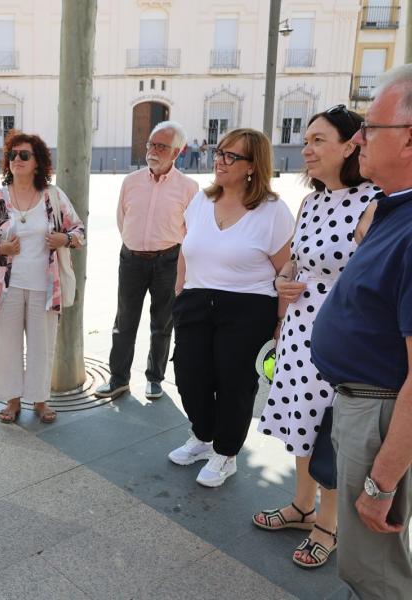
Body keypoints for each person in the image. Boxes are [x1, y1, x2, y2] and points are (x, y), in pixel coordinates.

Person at [253, 105, 380, 569]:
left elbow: (376, 278)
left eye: (318, 140)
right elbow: (296, 260)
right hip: (299, 329)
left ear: (350, 146)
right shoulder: (311, 202)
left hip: (344, 336)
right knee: (301, 424)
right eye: (306, 140)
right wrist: (283, 279)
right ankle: (302, 506)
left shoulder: (374, 202)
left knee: (330, 432)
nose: (306, 149)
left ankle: (329, 523)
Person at [311, 64, 412, 599]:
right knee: (364, 562)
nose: (358, 140)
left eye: (371, 127)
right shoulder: (390, 209)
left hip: (379, 413)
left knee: (373, 570)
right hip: (363, 405)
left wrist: (382, 482)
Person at [170, 128, 294, 488]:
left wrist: (281, 321)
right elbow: (186, 248)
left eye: (230, 156)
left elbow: (286, 270)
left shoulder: (273, 211)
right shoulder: (201, 201)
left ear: (253, 165)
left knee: (234, 385)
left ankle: (226, 453)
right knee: (189, 376)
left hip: (248, 307)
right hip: (195, 300)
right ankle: (203, 435)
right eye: (218, 152)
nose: (219, 161)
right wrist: (180, 291)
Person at [0, 130, 85, 424]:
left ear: (37, 162)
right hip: (5, 287)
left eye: (24, 155)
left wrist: (63, 239)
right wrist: (0, 249)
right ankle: (12, 401)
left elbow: (79, 231)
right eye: (12, 155)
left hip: (44, 287)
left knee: (41, 347)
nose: (17, 159)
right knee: (5, 346)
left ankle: (41, 401)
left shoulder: (53, 197)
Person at [95, 121, 198, 401]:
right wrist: (135, 245)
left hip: (168, 261)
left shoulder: (189, 188)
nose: (153, 150)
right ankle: (118, 379)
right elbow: (123, 219)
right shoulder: (130, 182)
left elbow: (192, 231)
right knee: (124, 322)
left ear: (177, 152)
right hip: (131, 259)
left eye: (161, 146)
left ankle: (155, 378)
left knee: (162, 324)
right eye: (151, 144)